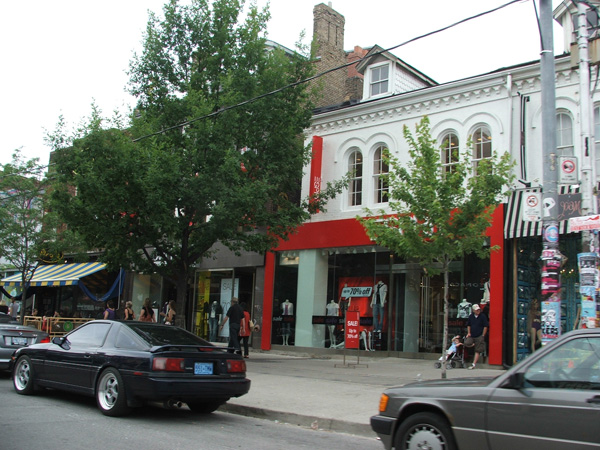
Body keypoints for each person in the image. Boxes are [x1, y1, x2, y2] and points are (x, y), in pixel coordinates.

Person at [465, 303, 489, 369]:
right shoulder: (471, 316)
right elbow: (468, 325)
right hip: (472, 334)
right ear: (473, 310)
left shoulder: (482, 316)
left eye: (478, 310)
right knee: (467, 343)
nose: (478, 311)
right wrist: (469, 333)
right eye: (476, 310)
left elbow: (485, 326)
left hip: (479, 335)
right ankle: (473, 345)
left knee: (478, 350)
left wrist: (483, 335)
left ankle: (473, 364)